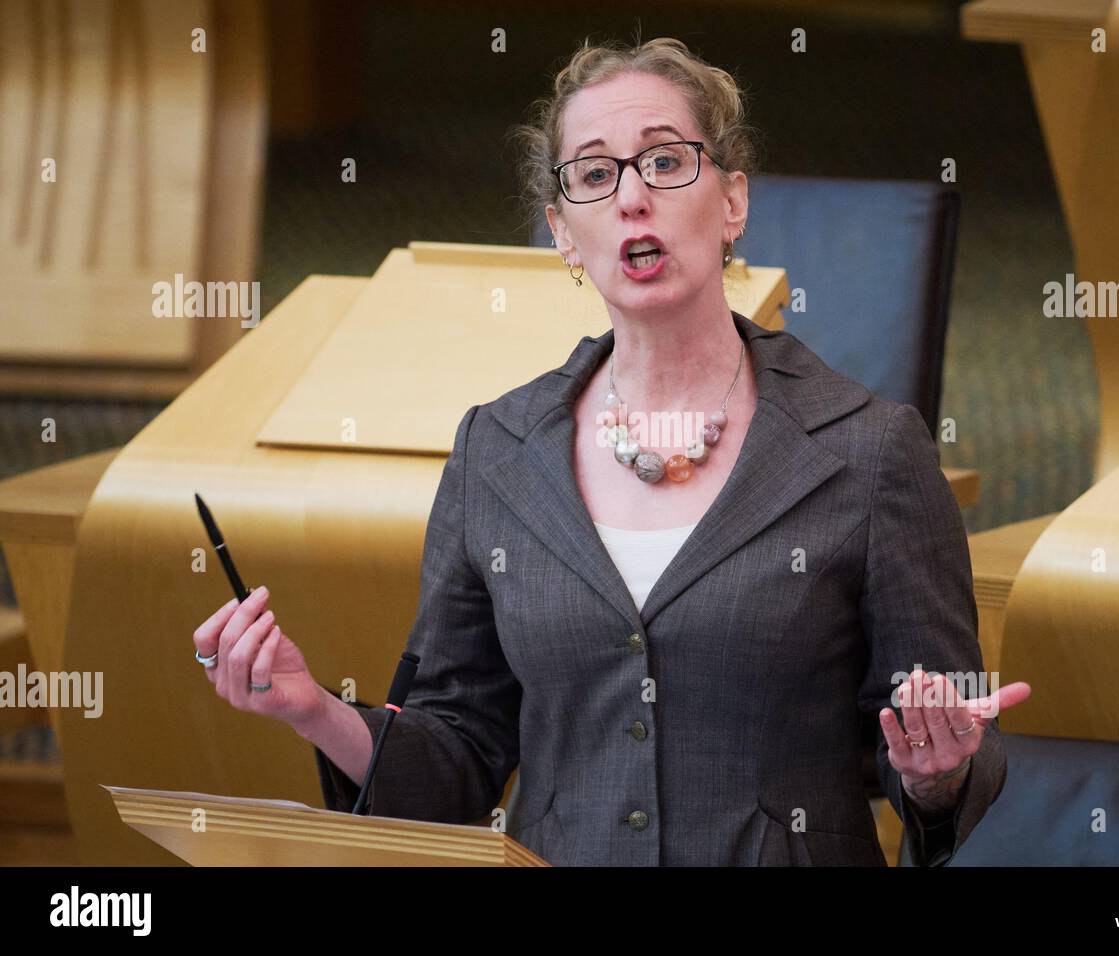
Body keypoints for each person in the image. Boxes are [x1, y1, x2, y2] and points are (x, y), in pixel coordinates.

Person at [192, 35, 1030, 866]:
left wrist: (938, 772)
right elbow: (458, 755)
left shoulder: (872, 451)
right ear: (563, 231)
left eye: (665, 162)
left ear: (732, 201)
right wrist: (312, 709)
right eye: (595, 175)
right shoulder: (498, 451)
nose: (633, 197)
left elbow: (944, 740)